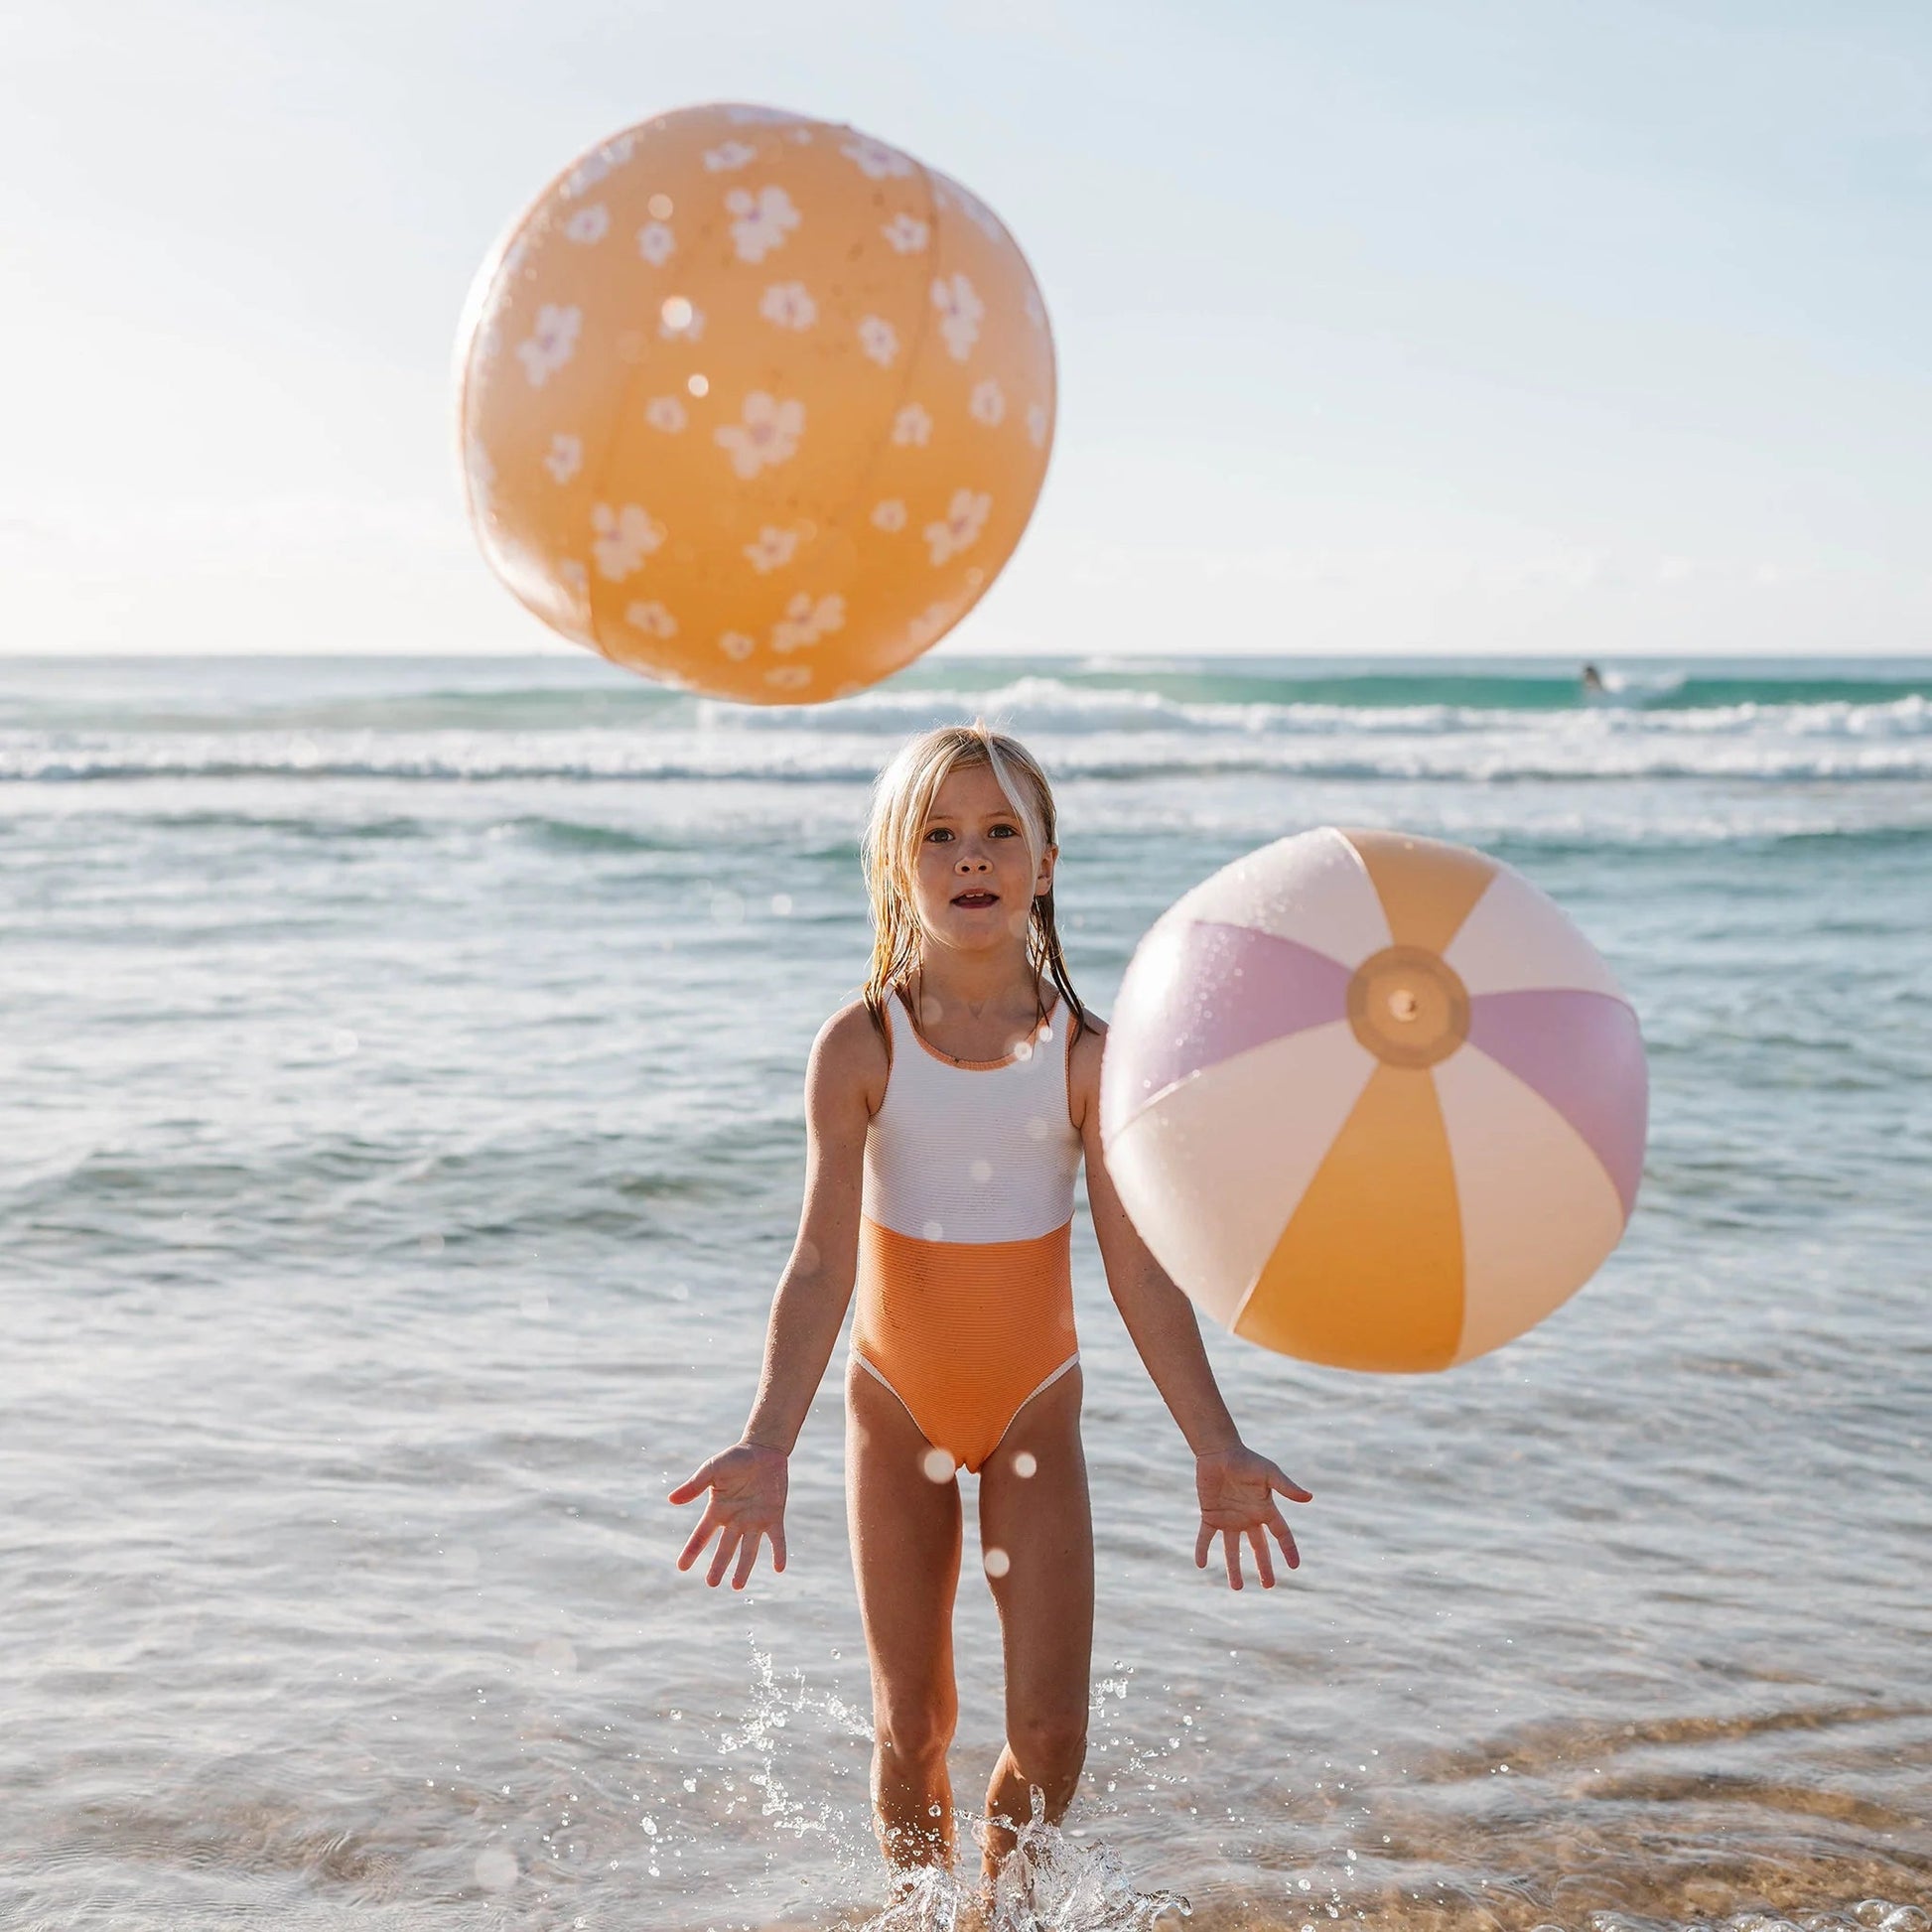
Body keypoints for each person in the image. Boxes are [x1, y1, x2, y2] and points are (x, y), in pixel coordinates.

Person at [669, 723, 1311, 1889]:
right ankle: (917, 1914)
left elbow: (1139, 1270)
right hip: (894, 1409)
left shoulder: (1087, 1056)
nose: (972, 856)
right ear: (896, 868)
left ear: (1045, 861)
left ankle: (993, 1916)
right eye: (940, 835)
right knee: (909, 1726)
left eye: (999, 831)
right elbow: (819, 1265)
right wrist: (769, 1437)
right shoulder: (859, 1044)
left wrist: (1214, 1445)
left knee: (1052, 1736)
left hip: (1031, 1415)